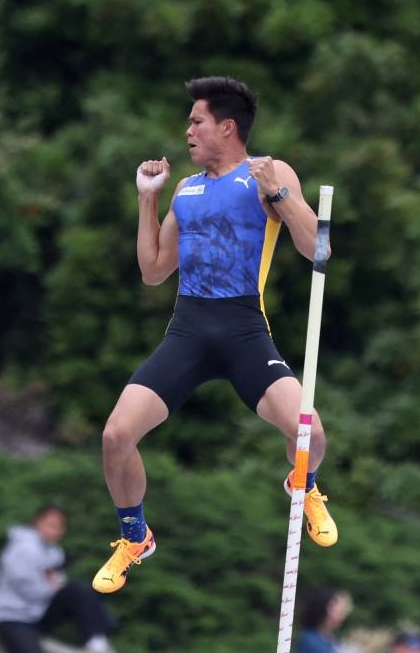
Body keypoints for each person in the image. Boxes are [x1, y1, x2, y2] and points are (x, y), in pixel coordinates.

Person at [91, 76, 337, 594]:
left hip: (245, 329)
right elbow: (154, 270)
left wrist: (281, 194)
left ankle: (303, 484)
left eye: (197, 121)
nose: (188, 131)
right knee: (116, 436)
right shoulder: (187, 189)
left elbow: (319, 248)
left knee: (310, 436)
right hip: (188, 330)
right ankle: (135, 536)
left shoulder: (266, 173)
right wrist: (146, 200)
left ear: (227, 127)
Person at [0, 504, 117, 653]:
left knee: (78, 591)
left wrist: (54, 586)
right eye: (51, 525)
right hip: (13, 618)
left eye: (60, 527)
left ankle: (96, 641)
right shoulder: (24, 548)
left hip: (38, 614)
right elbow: (29, 589)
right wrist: (52, 587)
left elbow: (57, 583)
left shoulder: (55, 552)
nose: (55, 531)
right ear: (38, 522)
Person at [295, 588, 355, 653]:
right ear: (322, 608)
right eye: (338, 610)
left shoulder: (332, 640)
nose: (343, 615)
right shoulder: (309, 640)